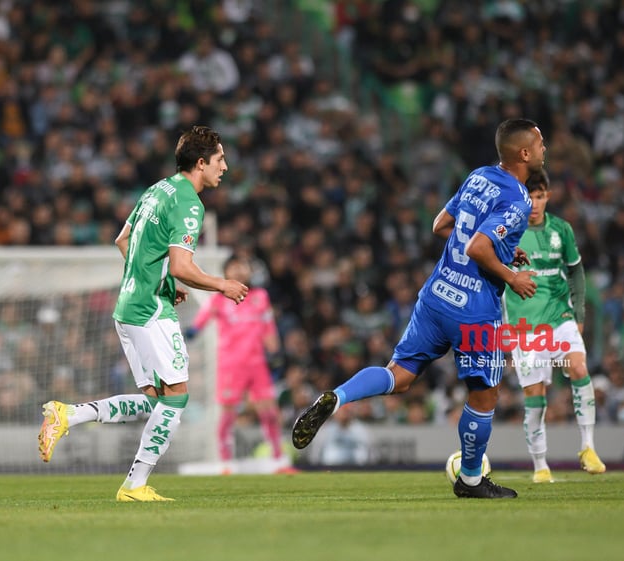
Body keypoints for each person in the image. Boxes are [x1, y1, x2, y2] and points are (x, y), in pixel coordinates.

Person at [292, 118, 545, 499]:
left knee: (400, 376)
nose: (545, 150)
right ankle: (472, 480)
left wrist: (504, 247)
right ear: (524, 153)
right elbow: (478, 247)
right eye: (541, 144)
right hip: (473, 308)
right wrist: (511, 275)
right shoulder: (519, 198)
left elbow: (441, 225)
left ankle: (338, 397)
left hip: (437, 294)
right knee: (484, 394)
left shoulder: (479, 176)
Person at [38, 126, 249, 502]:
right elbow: (183, 266)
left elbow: (124, 240)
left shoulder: (157, 189)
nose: (225, 167)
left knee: (158, 402)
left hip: (128, 306)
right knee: (178, 397)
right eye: (219, 160)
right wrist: (222, 285)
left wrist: (162, 280)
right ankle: (134, 485)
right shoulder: (188, 202)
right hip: (151, 310)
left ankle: (69, 415)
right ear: (200, 164)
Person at [503, 168, 606, 483]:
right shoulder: (507, 231)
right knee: (535, 395)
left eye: (539, 196)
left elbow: (575, 271)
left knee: (579, 368)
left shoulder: (562, 229)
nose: (534, 203)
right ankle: (540, 465)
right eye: (529, 197)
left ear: (548, 196)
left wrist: (579, 311)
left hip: (560, 316)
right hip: (524, 325)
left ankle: (588, 447)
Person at [187, 254, 289, 472]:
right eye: (234, 267)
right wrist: (192, 332)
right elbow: (201, 320)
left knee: (269, 412)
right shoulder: (219, 298)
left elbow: (268, 326)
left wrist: (276, 353)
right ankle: (225, 463)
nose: (240, 271)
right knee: (228, 415)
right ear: (226, 272)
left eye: (243, 266)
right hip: (231, 365)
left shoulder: (261, 296)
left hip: (257, 364)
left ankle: (278, 460)